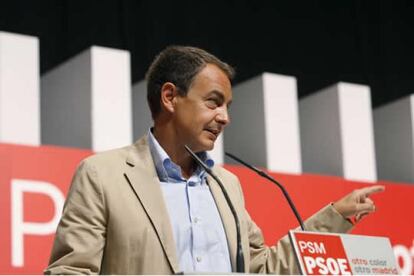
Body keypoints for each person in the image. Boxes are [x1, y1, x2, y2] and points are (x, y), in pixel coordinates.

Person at [44, 46, 384, 274]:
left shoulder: (227, 185)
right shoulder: (103, 175)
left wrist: (334, 217)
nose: (225, 118)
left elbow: (262, 268)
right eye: (213, 102)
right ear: (170, 97)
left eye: (227, 107)